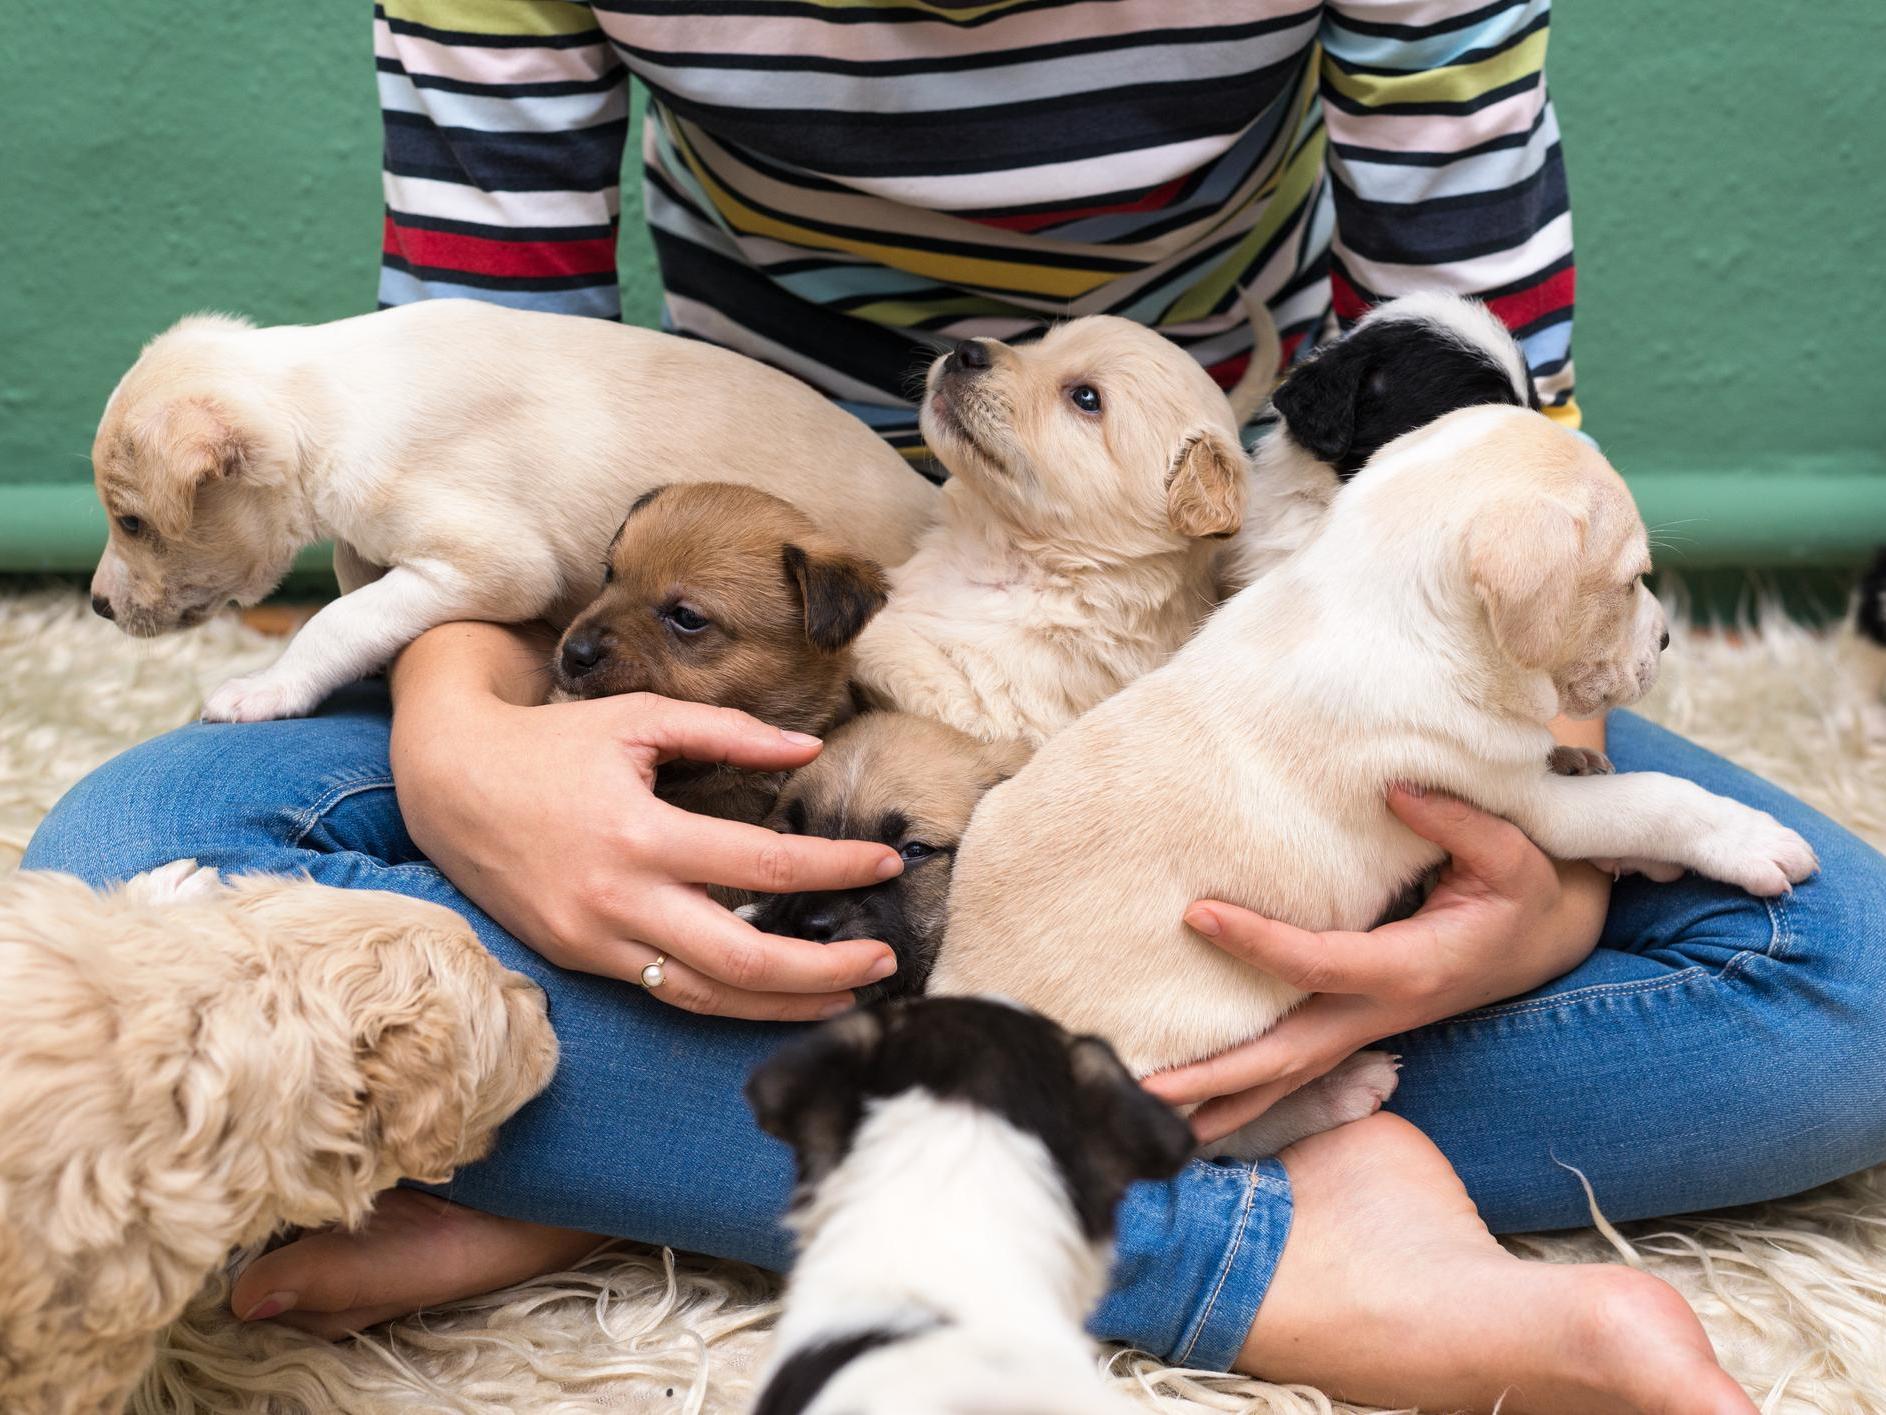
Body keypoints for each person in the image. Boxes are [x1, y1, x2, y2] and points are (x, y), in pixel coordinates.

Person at [26, 2, 1886, 1410]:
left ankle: (681, 1155)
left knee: (1845, 990)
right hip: (734, 605)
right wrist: (468, 763)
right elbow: (463, 398)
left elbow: (1490, 431)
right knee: (135, 864)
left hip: (1253, 643)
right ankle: (1253, 1225)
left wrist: (1525, 877)